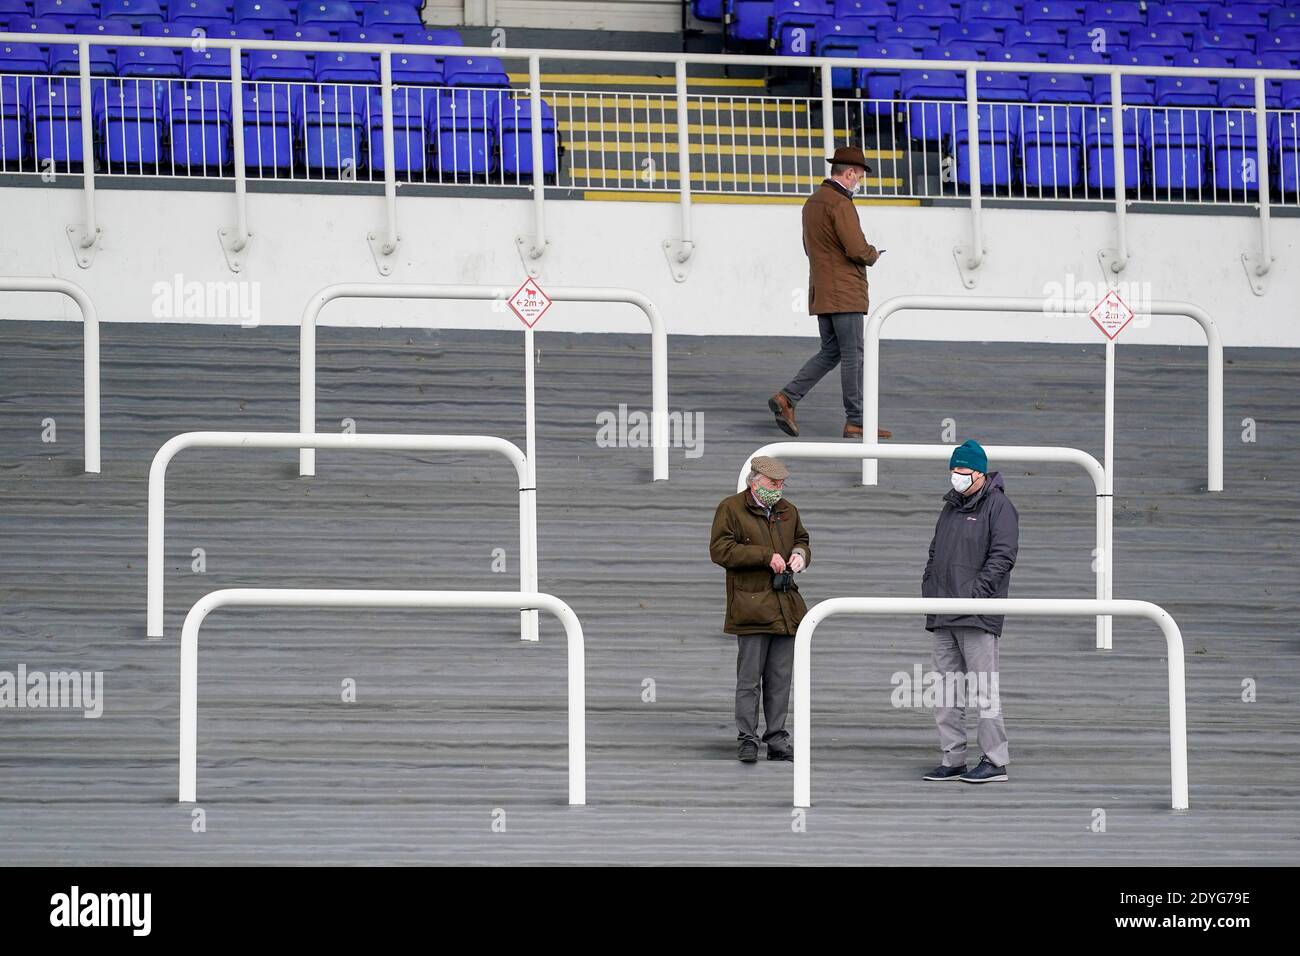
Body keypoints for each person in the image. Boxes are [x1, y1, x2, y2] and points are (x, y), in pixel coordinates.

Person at [769, 145, 891, 441]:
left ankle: (788, 398)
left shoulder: (812, 203)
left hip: (821, 290)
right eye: (859, 176)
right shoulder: (840, 203)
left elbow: (808, 247)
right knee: (853, 355)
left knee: (831, 351)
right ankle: (856, 421)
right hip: (845, 292)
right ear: (849, 173)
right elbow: (856, 248)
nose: (859, 181)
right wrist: (873, 254)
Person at [920, 439, 1019, 784]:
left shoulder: (999, 506)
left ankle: (994, 760)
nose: (957, 478)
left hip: (977, 614)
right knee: (945, 691)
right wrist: (930, 590)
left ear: (980, 473)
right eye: (954, 471)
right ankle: (954, 759)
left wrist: (974, 596)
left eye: (963, 472)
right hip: (943, 612)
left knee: (983, 690)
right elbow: (935, 554)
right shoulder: (949, 507)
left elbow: (1003, 557)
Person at [709, 455, 811, 764]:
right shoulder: (731, 508)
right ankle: (748, 738)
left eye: (781, 484)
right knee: (749, 679)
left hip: (786, 606)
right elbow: (720, 550)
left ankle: (777, 737)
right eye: (772, 483)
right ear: (754, 481)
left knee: (780, 678)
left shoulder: (788, 511)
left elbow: (803, 540)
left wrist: (799, 555)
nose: (778, 489)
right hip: (751, 605)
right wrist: (765, 556)